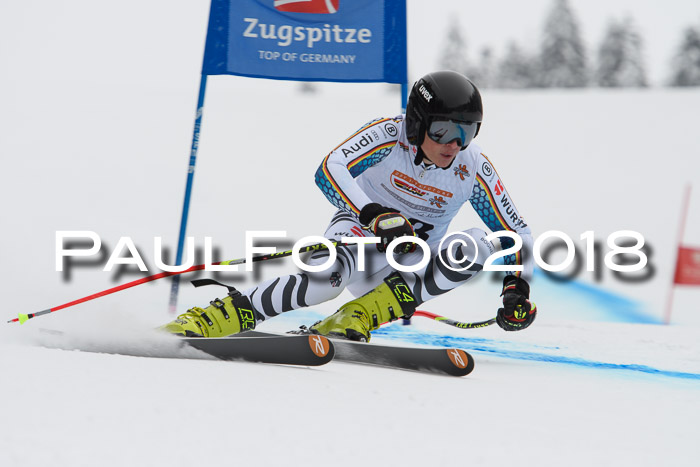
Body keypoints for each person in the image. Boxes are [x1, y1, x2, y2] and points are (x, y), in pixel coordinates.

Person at [161, 70, 537, 341]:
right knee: (325, 283)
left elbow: (516, 231)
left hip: (409, 265)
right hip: (359, 238)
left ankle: (359, 315)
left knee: (473, 246)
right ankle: (220, 316)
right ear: (419, 122)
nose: (454, 144)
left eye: (466, 132)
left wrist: (516, 288)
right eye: (442, 131)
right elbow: (329, 169)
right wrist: (373, 214)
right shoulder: (390, 135)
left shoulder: (472, 167)